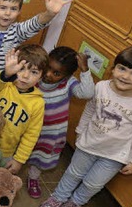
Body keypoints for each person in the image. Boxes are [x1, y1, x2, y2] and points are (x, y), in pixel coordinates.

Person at [39, 45, 132, 207]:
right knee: (73, 173)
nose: (125, 76)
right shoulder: (101, 87)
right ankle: (58, 197)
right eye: (122, 68)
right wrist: (80, 131)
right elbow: (89, 111)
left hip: (114, 155)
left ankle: (76, 202)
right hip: (88, 143)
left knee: (93, 183)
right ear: (113, 68)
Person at [26, 46, 95, 198]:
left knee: (41, 156)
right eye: (47, 68)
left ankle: (33, 177)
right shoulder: (34, 77)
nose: (48, 75)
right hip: (27, 128)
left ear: (67, 75)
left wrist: (85, 70)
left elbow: (88, 93)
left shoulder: (69, 84)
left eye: (56, 73)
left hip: (50, 132)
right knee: (19, 151)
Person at [0, 44, 48, 174]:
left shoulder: (38, 103)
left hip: (5, 152)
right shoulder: (3, 84)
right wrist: (6, 74)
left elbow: (31, 135)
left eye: (34, 72)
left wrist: (19, 160)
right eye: (21, 69)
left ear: (41, 77)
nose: (25, 76)